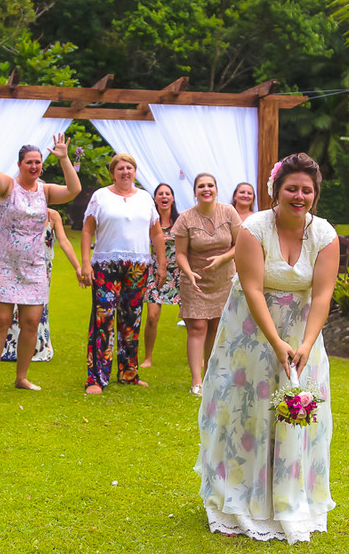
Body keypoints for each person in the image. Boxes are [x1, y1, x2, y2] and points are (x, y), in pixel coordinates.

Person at [194, 153, 340, 543]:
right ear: (276, 190)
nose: (299, 196)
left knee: (295, 414)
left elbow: (322, 295)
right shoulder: (254, 229)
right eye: (292, 188)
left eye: (307, 190)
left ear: (315, 194)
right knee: (248, 413)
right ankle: (237, 497)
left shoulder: (325, 235)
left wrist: (305, 344)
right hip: (251, 334)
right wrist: (276, 342)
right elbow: (253, 289)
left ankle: (288, 497)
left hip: (303, 334)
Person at [0, 133, 80, 394]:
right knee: (1, 322)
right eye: (29, 162)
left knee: (31, 323)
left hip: (34, 266)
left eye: (38, 162)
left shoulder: (45, 191)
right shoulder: (8, 186)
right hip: (2, 263)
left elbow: (73, 190)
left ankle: (22, 378)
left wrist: (64, 159)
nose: (34, 166)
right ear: (19, 164)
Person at [78, 153, 167, 395]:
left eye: (129, 168)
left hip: (138, 266)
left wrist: (161, 264)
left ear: (135, 172)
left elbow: (156, 233)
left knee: (131, 320)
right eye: (120, 168)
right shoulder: (100, 197)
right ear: (113, 173)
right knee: (103, 319)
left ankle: (129, 373)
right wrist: (85, 263)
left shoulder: (145, 198)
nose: (125, 172)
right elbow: (87, 231)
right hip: (106, 265)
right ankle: (96, 378)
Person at [172, 173, 242, 396]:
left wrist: (223, 258)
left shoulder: (229, 212)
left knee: (216, 326)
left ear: (216, 189)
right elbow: (180, 253)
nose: (206, 189)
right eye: (201, 186)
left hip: (223, 279)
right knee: (197, 327)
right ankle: (197, 381)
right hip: (195, 280)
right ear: (195, 192)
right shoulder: (185, 218)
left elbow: (239, 244)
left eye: (210, 185)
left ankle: (211, 375)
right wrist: (188, 273)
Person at [1, 209, 81, 363]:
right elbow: (3, 241)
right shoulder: (16, 212)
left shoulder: (53, 216)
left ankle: (37, 347)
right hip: (16, 266)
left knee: (38, 308)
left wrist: (77, 267)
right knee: (15, 306)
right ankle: (12, 347)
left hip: (42, 269)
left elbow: (64, 242)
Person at [140, 183, 180, 368]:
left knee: (192, 319)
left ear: (172, 198)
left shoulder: (180, 221)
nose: (164, 196)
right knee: (152, 317)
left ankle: (202, 357)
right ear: (155, 199)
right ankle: (148, 357)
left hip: (179, 273)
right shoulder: (148, 222)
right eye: (160, 194)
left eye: (167, 194)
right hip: (155, 272)